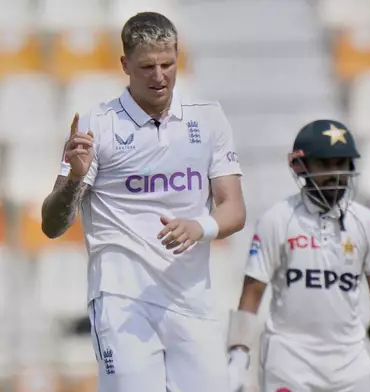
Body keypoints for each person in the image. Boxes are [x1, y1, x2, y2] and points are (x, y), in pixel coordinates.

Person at [40, 12, 246, 392]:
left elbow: (233, 208)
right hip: (122, 301)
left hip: (191, 299)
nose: (159, 76)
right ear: (125, 65)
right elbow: (52, 225)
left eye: (168, 64)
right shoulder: (96, 124)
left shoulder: (208, 117)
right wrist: (73, 178)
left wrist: (200, 226)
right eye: (147, 66)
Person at [225, 119, 370, 392]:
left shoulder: (368, 224)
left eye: (342, 163)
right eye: (325, 164)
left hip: (351, 365)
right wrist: (238, 355)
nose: (335, 174)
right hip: (289, 362)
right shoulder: (278, 220)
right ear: (300, 166)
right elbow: (252, 294)